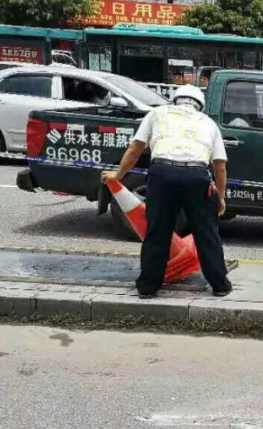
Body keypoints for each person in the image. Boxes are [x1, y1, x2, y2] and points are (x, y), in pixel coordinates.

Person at [100, 84, 233, 299]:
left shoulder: (157, 114)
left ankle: (147, 287)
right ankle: (220, 285)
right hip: (196, 176)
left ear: (175, 100)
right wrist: (220, 196)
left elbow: (136, 149)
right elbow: (220, 165)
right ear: (200, 106)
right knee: (206, 232)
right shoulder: (208, 123)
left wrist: (118, 175)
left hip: (162, 174)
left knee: (157, 232)